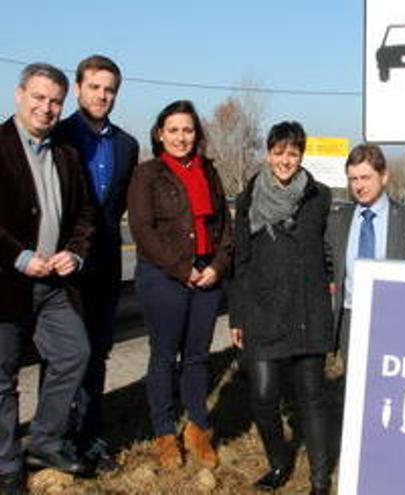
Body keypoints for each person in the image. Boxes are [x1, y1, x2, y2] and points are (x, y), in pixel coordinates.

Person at [0, 63, 95, 493]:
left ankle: (44, 441)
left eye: (55, 100)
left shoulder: (65, 153)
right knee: (3, 380)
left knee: (75, 353)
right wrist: (19, 256)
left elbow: (84, 216)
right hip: (7, 284)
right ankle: (6, 467)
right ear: (19, 95)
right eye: (38, 97)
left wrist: (74, 253)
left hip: (54, 286)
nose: (46, 107)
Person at [228, 121, 333, 494]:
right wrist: (237, 315)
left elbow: (328, 251)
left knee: (312, 399)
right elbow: (240, 261)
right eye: (278, 152)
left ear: (301, 155)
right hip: (262, 310)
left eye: (293, 153)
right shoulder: (248, 199)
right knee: (263, 397)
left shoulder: (319, 196)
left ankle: (320, 482)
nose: (285, 160)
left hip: (307, 310)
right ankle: (279, 463)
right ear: (268, 154)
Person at [127, 100, 232, 471]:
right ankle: (164, 433)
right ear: (159, 134)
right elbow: (142, 230)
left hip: (207, 276)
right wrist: (182, 269)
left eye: (187, 130)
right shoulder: (148, 174)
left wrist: (217, 267)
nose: (181, 137)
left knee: (198, 357)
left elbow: (224, 228)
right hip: (164, 277)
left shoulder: (210, 171)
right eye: (173, 130)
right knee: (163, 356)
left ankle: (198, 428)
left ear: (197, 134)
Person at [54, 54, 139, 473]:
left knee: (98, 354)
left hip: (104, 265)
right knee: (68, 356)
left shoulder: (126, 145)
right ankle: (58, 440)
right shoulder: (59, 135)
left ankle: (91, 438)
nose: (102, 95)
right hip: (61, 266)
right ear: (78, 88)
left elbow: (116, 205)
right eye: (95, 87)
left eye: (110, 90)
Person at [327, 144, 405, 363]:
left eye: (365, 177)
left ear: (384, 176)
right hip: (350, 319)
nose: (359, 186)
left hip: (395, 321)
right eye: (353, 179)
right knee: (353, 390)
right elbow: (328, 269)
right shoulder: (337, 222)